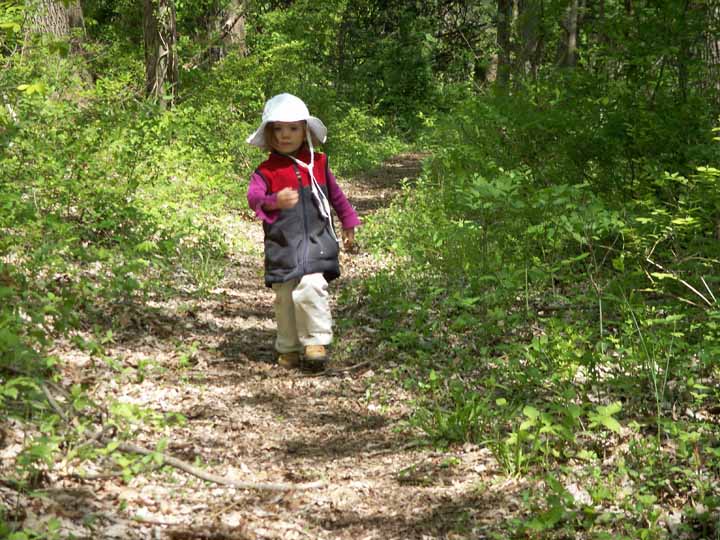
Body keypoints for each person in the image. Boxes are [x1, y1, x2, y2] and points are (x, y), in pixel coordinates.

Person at [246, 93, 360, 371]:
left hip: (316, 242)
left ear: (305, 131)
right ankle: (289, 347)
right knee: (285, 296)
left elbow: (336, 195)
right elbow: (254, 198)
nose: (285, 135)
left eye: (293, 128)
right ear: (270, 134)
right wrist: (274, 201)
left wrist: (348, 222)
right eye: (278, 129)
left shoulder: (318, 163)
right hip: (283, 245)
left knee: (312, 285)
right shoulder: (266, 171)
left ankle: (316, 341)